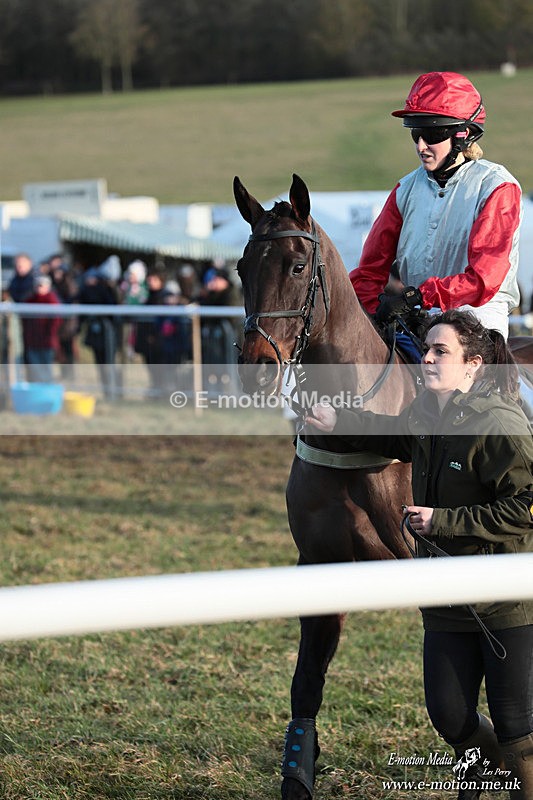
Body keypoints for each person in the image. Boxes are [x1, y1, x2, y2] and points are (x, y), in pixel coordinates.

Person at [306, 310, 533, 799]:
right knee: (450, 717)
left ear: (473, 365)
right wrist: (336, 419)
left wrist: (444, 522)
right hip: (445, 598)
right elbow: (393, 434)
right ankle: (495, 773)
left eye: (440, 352)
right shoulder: (429, 410)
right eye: (426, 349)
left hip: (508, 604)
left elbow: (527, 506)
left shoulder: (500, 423)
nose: (426, 358)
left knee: (519, 731)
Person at [350, 72, 522, 340]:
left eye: (431, 133)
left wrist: (417, 296)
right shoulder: (404, 189)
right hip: (416, 322)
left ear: (463, 135)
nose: (421, 146)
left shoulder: (496, 187)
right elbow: (368, 272)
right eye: (416, 133)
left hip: (476, 323)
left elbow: (483, 279)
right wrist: (377, 307)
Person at [21, 275, 62, 383]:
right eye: (37, 285)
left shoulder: (51, 300)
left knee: (46, 369)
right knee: (35, 369)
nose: (39, 288)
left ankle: (47, 393)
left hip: (47, 342)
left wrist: (49, 335)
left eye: (42, 285)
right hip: (32, 341)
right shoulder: (30, 301)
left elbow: (56, 321)